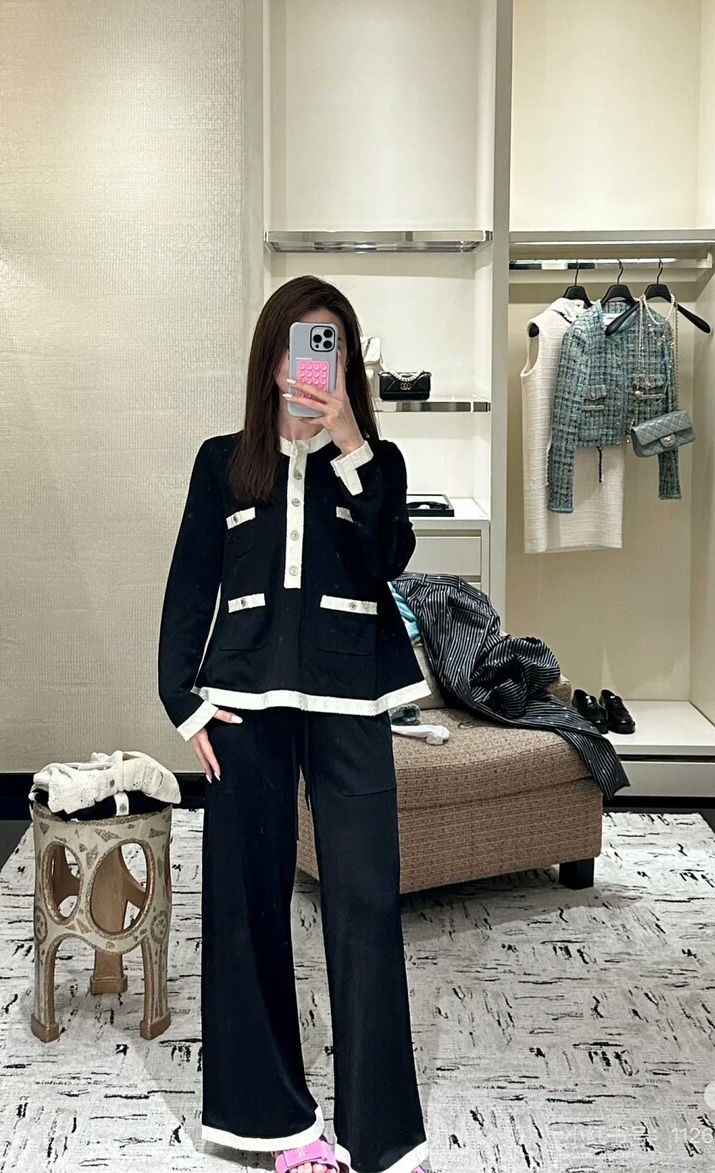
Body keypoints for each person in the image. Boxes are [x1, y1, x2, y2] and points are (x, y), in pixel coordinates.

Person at [158, 275, 432, 1173]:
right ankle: (266, 1119)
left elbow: (388, 556)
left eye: (328, 345)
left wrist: (353, 442)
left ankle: (379, 1131)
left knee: (364, 902)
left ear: (346, 361)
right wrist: (183, 698)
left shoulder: (376, 464)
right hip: (245, 705)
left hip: (351, 700)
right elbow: (190, 583)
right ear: (269, 359)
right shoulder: (222, 462)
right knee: (245, 906)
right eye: (295, 343)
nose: (308, 362)